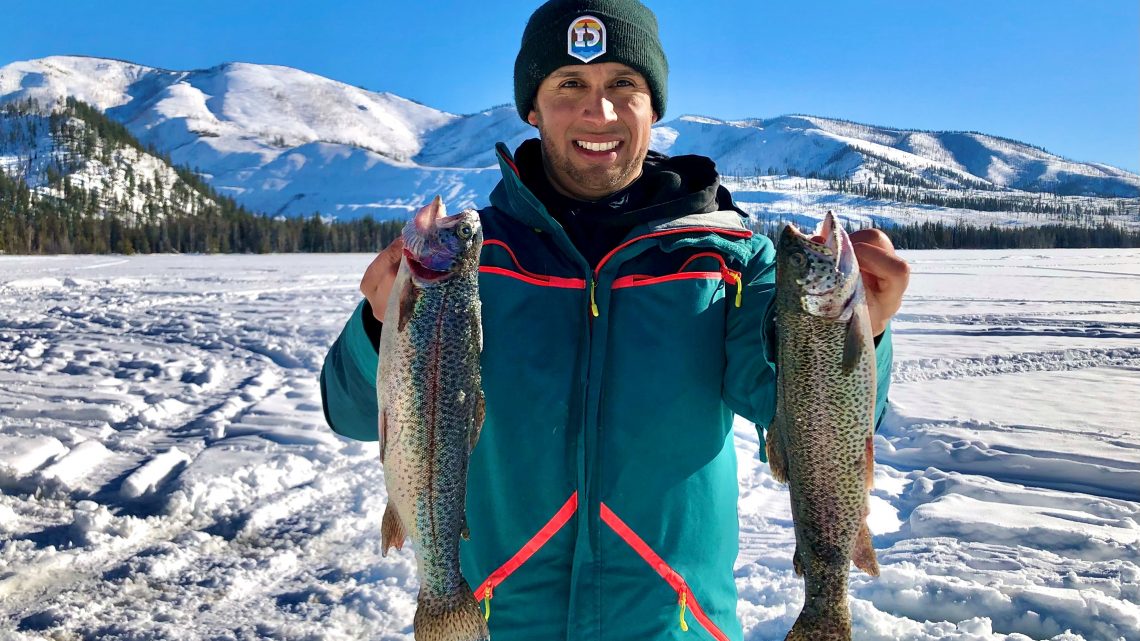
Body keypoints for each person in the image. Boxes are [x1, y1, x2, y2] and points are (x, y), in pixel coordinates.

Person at [320, 1, 910, 639]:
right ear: (532, 107)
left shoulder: (730, 259)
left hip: (673, 625)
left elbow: (804, 420)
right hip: (492, 621)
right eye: (569, 84)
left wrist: (861, 335)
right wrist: (381, 325)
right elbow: (353, 414)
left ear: (653, 107)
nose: (597, 113)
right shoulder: (468, 262)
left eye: (622, 85)